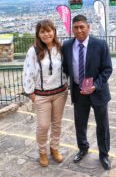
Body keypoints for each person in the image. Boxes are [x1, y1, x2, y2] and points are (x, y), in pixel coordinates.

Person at [62, 14, 113, 170]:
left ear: (88, 27)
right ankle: (83, 148)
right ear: (72, 29)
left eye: (82, 27)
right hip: (78, 91)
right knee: (80, 124)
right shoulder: (66, 46)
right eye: (76, 27)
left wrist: (95, 85)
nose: (79, 30)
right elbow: (65, 68)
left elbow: (107, 69)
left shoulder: (100, 45)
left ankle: (104, 154)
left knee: (102, 125)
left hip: (97, 92)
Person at [23, 19, 68, 167]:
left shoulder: (60, 47)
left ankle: (54, 148)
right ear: (38, 34)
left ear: (54, 31)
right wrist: (31, 93)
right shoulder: (34, 50)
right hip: (41, 95)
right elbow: (27, 72)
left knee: (56, 124)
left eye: (49, 30)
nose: (46, 34)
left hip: (60, 92)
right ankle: (42, 151)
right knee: (43, 125)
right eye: (42, 31)